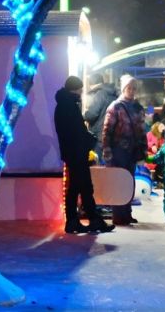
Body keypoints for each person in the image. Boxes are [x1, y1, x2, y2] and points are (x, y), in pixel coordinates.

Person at [53, 76, 114, 234]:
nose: (81, 92)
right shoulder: (69, 106)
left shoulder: (64, 104)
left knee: (75, 188)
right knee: (85, 187)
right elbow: (76, 132)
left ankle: (73, 221)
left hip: (72, 153)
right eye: (79, 89)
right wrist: (89, 141)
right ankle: (93, 220)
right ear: (74, 89)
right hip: (77, 153)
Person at [101, 75, 148, 226]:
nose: (132, 91)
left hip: (132, 151)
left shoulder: (138, 107)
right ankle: (118, 215)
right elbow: (107, 130)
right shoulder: (116, 106)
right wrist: (107, 150)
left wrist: (143, 149)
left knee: (129, 183)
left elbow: (142, 131)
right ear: (123, 88)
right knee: (119, 182)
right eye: (129, 87)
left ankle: (127, 213)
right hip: (118, 150)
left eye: (134, 88)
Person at [83, 73, 119, 155]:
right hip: (113, 135)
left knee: (97, 163)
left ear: (91, 84)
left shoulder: (100, 94)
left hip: (100, 136)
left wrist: (83, 115)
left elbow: (92, 114)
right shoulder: (114, 94)